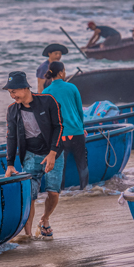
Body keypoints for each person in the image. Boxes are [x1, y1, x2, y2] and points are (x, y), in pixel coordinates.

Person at [3, 71, 63, 239]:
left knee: (53, 192)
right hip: (30, 154)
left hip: (53, 153)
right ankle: (28, 236)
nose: (12, 96)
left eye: (14, 92)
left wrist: (52, 153)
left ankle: (44, 219)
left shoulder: (47, 101)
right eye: (10, 93)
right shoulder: (12, 111)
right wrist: (9, 164)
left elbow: (59, 126)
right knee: (30, 196)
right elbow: (11, 137)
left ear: (24, 88)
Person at [42, 61, 89, 191]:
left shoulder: (46, 92)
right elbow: (80, 111)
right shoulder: (72, 88)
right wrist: (82, 127)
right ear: (62, 72)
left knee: (59, 168)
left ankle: (60, 195)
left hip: (59, 137)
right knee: (82, 164)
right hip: (77, 133)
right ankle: (84, 190)